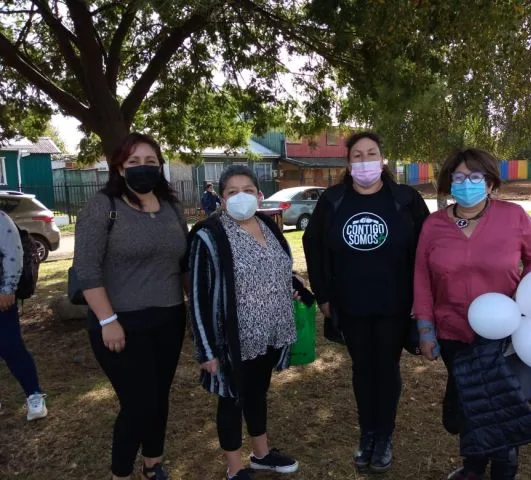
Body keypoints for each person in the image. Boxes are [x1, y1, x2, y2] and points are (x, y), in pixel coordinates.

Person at [412, 148, 531, 480]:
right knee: (469, 402)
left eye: (476, 177)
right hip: (453, 332)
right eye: (459, 177)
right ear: (449, 183)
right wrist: (425, 329)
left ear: (490, 184)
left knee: (502, 402)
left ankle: (505, 469)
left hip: (505, 333)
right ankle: (473, 467)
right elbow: (421, 277)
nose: (467, 183)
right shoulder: (433, 225)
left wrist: (524, 302)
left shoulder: (514, 216)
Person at [302, 131, 430, 472]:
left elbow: (427, 250)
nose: (364, 161)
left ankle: (384, 436)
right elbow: (313, 246)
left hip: (395, 305)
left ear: (382, 159)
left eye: (371, 153)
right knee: (362, 369)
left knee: (386, 369)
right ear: (348, 163)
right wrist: (324, 296)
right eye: (357, 155)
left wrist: (423, 300)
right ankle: (367, 434)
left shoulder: (405, 199)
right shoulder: (333, 200)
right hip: (351, 305)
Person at [73, 133, 188, 480]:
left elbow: (183, 264)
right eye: (134, 162)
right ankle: (120, 473)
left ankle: (153, 463)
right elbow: (87, 269)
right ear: (120, 167)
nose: (143, 168)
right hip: (119, 324)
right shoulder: (102, 206)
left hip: (169, 318)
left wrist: (196, 310)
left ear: (160, 166)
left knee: (159, 398)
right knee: (139, 404)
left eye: (150, 162)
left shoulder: (171, 207)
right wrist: (107, 319)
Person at [189, 165, 300, 480]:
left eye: (248, 190)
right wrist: (206, 350)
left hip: (268, 333)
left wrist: (292, 284)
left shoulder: (267, 224)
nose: (241, 197)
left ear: (259, 195)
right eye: (232, 192)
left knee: (257, 392)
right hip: (232, 340)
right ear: (221, 199)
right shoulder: (208, 236)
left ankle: (262, 455)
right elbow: (198, 295)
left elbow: (277, 266)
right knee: (232, 400)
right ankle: (235, 469)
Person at [0, 211, 47, 421]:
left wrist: (8, 288)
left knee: (11, 346)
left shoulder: (1, 219)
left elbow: (13, 252)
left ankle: (34, 395)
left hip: (1, 297)